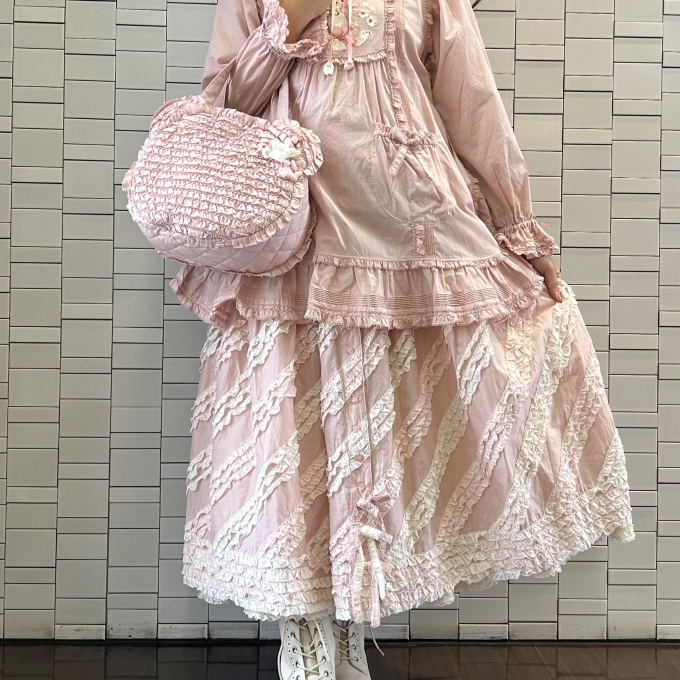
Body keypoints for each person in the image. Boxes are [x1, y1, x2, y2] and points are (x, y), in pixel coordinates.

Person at [170, 1, 635, 678]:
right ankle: (305, 634)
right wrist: (287, 23)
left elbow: (472, 104)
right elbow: (222, 107)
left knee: (380, 440)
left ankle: (349, 622)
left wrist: (516, 223)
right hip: (291, 236)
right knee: (292, 437)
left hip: (409, 227)